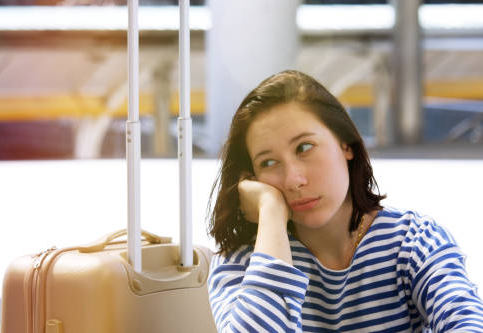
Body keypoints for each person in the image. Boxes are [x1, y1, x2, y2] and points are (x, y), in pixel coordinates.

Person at [206, 70, 483, 332]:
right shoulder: (243, 262)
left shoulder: (413, 241)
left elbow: (469, 322)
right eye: (268, 162)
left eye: (304, 148)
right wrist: (270, 209)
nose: (293, 180)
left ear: (345, 144)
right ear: (252, 177)